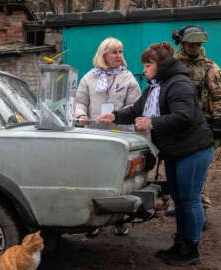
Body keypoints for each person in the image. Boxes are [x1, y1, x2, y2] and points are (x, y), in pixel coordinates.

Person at [98, 42, 214, 266]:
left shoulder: (179, 84)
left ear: (161, 65)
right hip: (174, 151)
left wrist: (152, 122)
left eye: (148, 65)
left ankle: (192, 248)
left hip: (193, 150)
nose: (145, 69)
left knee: (189, 200)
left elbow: (184, 117)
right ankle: (181, 243)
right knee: (179, 201)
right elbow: (136, 110)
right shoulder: (155, 86)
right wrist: (114, 116)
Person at [74, 37, 141, 236]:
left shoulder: (128, 78)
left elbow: (135, 106)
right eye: (115, 52)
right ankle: (93, 221)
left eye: (121, 52)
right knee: (94, 177)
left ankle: (120, 219)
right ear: (103, 55)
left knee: (120, 178)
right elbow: (80, 102)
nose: (119, 56)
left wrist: (117, 117)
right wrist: (81, 115)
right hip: (93, 136)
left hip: (120, 136)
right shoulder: (89, 77)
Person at [171, 25, 221, 229]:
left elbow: (219, 96)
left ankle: (199, 210)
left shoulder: (210, 67)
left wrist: (218, 122)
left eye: (198, 44)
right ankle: (183, 207)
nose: (195, 48)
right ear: (183, 43)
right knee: (178, 168)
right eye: (192, 44)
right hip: (178, 124)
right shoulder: (172, 64)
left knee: (200, 171)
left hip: (203, 126)